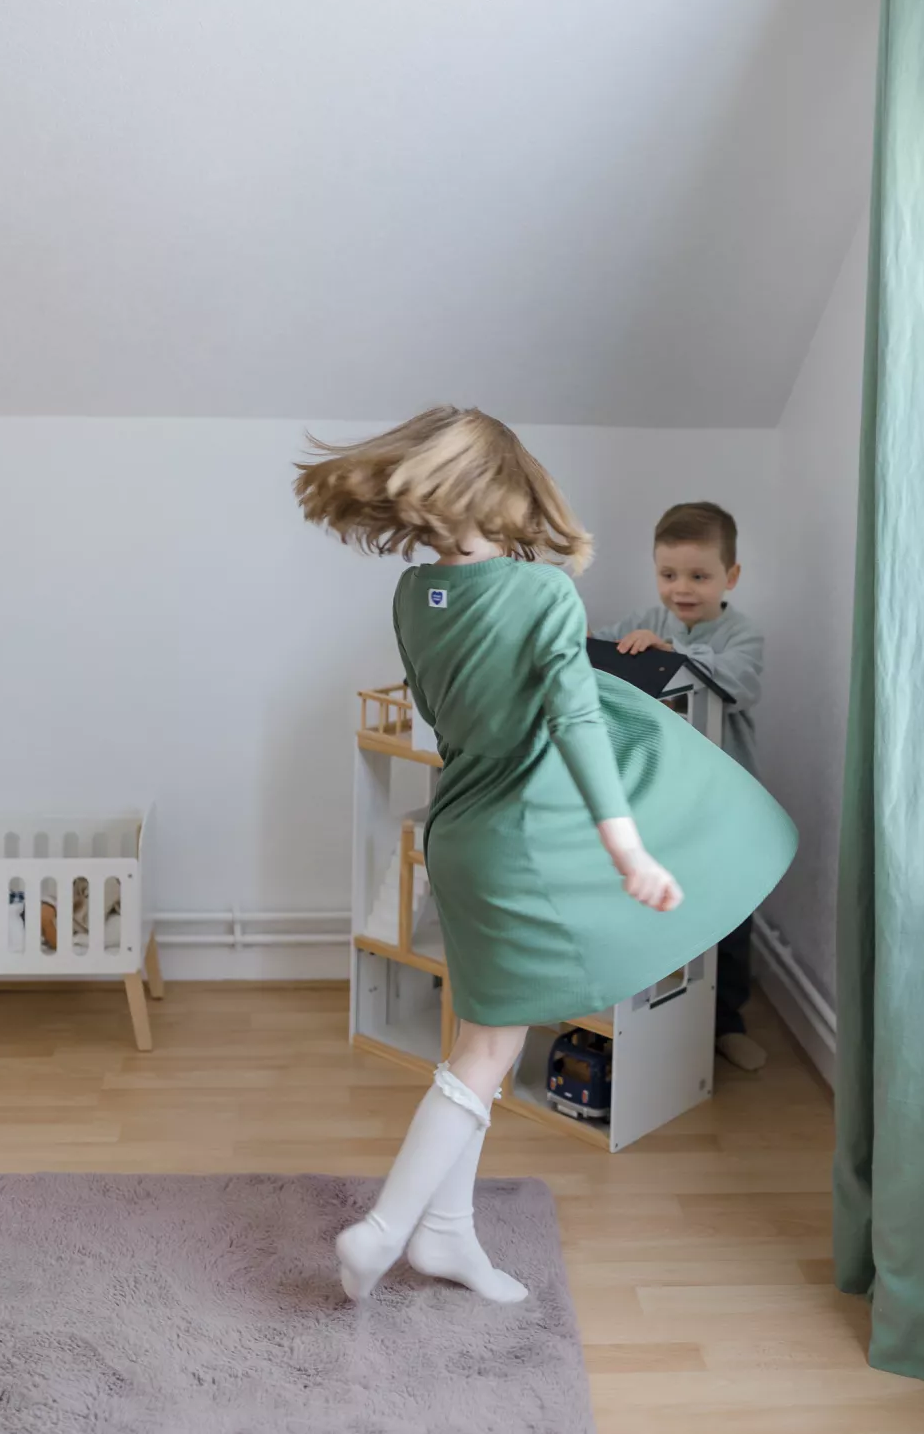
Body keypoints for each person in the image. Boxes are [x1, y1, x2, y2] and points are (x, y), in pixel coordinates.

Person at [295, 410, 796, 1305]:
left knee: (478, 1034)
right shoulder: (543, 594)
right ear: (507, 488)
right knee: (488, 1048)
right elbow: (573, 724)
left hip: (457, 830)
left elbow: (465, 706)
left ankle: (447, 1235)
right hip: (514, 841)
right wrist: (628, 845)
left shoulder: (414, 596)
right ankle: (383, 1229)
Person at [592, 502, 767, 1071]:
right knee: (655, 902)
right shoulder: (645, 620)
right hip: (660, 798)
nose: (682, 589)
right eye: (669, 575)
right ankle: (647, 1013)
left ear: (729, 577)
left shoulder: (742, 636)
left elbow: (735, 683)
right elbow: (598, 652)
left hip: (722, 803)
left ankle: (727, 1020)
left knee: (728, 908)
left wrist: (674, 655)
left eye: (699, 576)